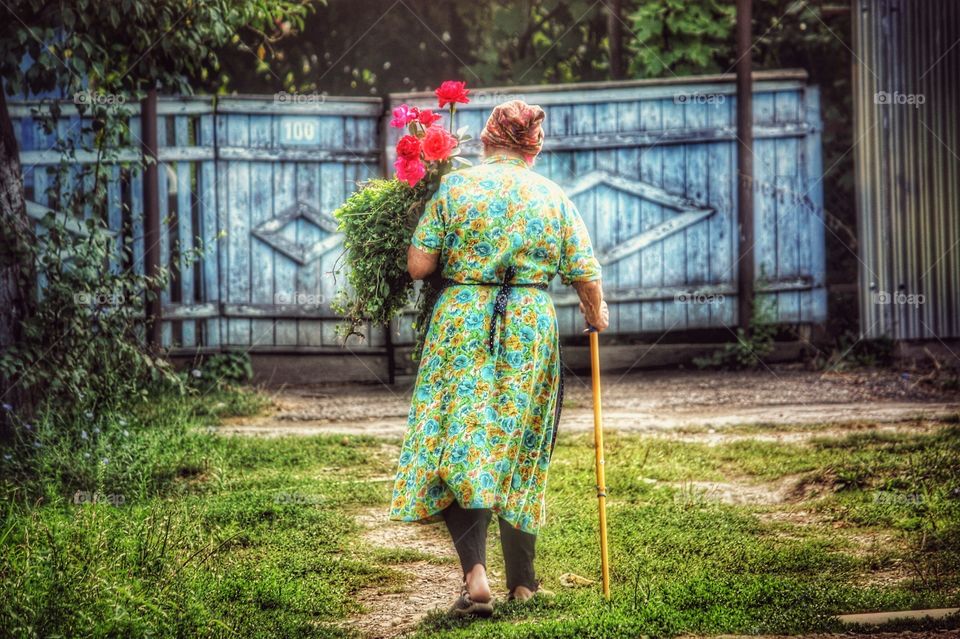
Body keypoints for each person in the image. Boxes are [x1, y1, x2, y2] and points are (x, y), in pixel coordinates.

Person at [388, 99, 608, 617]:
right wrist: (596, 313)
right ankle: (525, 585)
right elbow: (585, 272)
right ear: (536, 146)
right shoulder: (551, 196)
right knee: (522, 442)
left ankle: (476, 576)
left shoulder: (457, 187)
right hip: (530, 322)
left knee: (464, 439)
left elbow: (419, 265)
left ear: (486, 140)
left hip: (463, 318)